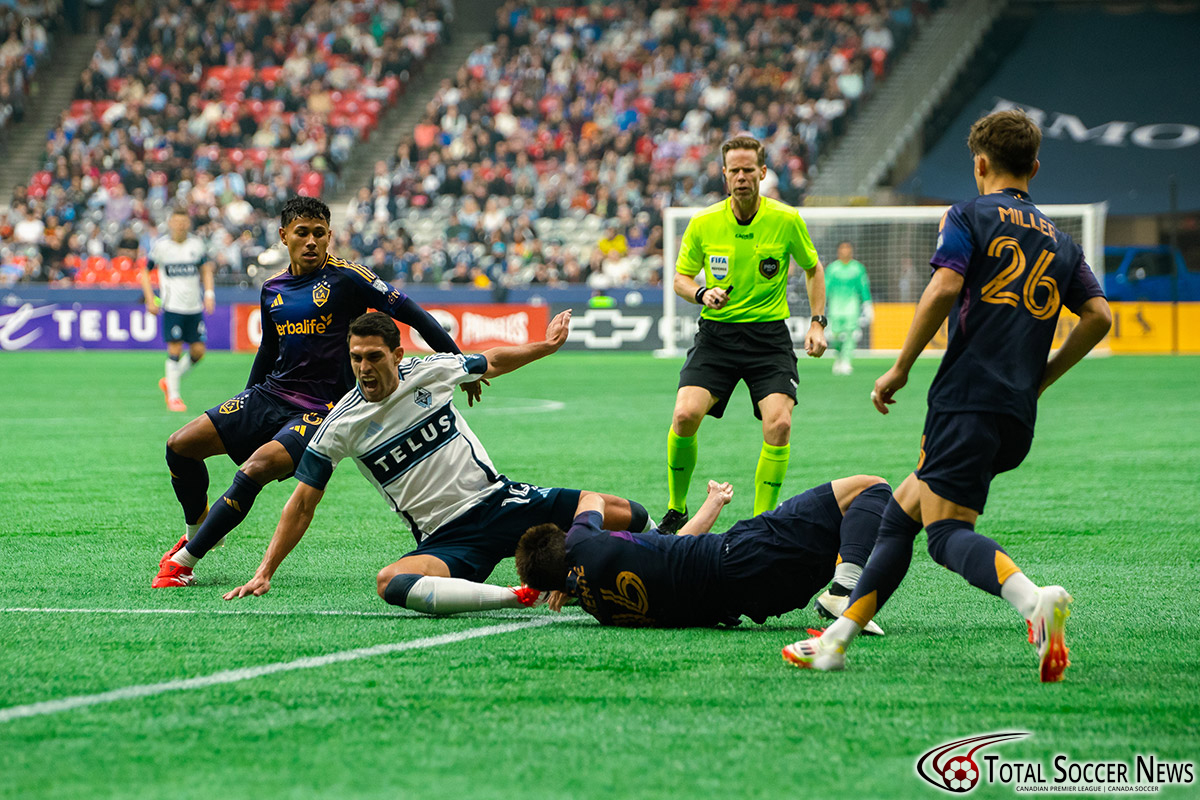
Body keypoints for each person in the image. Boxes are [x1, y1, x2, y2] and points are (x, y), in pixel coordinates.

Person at [782, 109, 1112, 682]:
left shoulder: (968, 214)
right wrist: (1043, 377)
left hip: (965, 398)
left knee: (947, 535)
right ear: (1033, 167)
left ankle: (1035, 602)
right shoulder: (1061, 241)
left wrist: (900, 367)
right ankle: (836, 640)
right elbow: (1099, 316)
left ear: (980, 164)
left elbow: (945, 284)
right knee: (900, 513)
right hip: (1016, 412)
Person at [223, 310, 650, 613]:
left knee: (629, 513)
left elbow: (493, 361)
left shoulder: (430, 371)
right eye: (356, 358)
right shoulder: (340, 425)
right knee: (390, 582)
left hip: (501, 501)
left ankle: (671, 546)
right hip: (447, 538)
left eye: (374, 356)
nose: (364, 368)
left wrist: (548, 347)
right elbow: (301, 504)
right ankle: (516, 595)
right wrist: (265, 572)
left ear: (397, 355)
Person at [153, 196, 471, 588]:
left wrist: (458, 363)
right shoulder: (272, 289)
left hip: (320, 410)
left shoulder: (348, 278)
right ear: (284, 236)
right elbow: (269, 349)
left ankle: (184, 562)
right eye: (302, 233)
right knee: (179, 446)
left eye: (320, 234)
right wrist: (248, 400)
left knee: (254, 469)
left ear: (330, 236)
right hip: (270, 395)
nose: (311, 242)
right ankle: (195, 528)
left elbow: (413, 313)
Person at [663, 135, 827, 533]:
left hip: (768, 340)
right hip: (717, 337)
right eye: (733, 170)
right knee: (684, 414)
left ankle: (761, 521)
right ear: (724, 174)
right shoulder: (704, 223)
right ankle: (676, 508)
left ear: (762, 173)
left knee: (780, 425)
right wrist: (703, 293)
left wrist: (818, 321)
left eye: (748, 170)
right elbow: (681, 279)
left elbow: (813, 268)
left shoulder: (786, 220)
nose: (741, 177)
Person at [515, 475, 891, 631]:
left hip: (767, 597)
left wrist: (713, 504)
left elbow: (675, 550)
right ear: (566, 542)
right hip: (745, 552)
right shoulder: (581, 542)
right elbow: (591, 499)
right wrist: (573, 542)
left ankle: (842, 586)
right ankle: (844, 593)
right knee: (870, 490)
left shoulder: (601, 610)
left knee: (845, 527)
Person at [141, 209, 215, 412]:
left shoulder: (196, 245)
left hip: (194, 306)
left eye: (184, 222)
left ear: (188, 224)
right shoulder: (162, 247)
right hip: (173, 305)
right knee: (174, 348)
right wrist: (150, 299)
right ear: (170, 223)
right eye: (177, 222)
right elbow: (145, 272)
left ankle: (170, 381)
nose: (180, 225)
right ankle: (174, 397)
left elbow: (205, 269)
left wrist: (209, 294)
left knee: (198, 352)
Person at [825, 241, 873, 376]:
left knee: (851, 334)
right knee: (834, 335)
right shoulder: (832, 269)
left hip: (852, 306)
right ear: (838, 251)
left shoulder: (858, 268)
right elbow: (825, 288)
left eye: (848, 249)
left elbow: (863, 287)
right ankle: (839, 356)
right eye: (842, 249)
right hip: (836, 306)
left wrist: (867, 303)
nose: (845, 251)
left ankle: (846, 361)